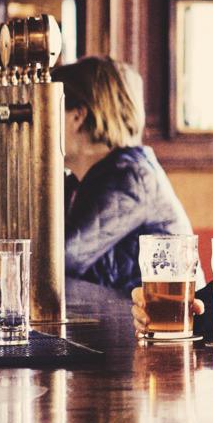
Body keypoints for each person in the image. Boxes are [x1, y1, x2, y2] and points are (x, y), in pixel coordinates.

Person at [56, 55, 192, 294]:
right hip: (123, 322)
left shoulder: (131, 177)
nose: (34, 125)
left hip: (167, 325)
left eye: (45, 111)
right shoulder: (79, 181)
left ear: (77, 116)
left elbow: (59, 262)